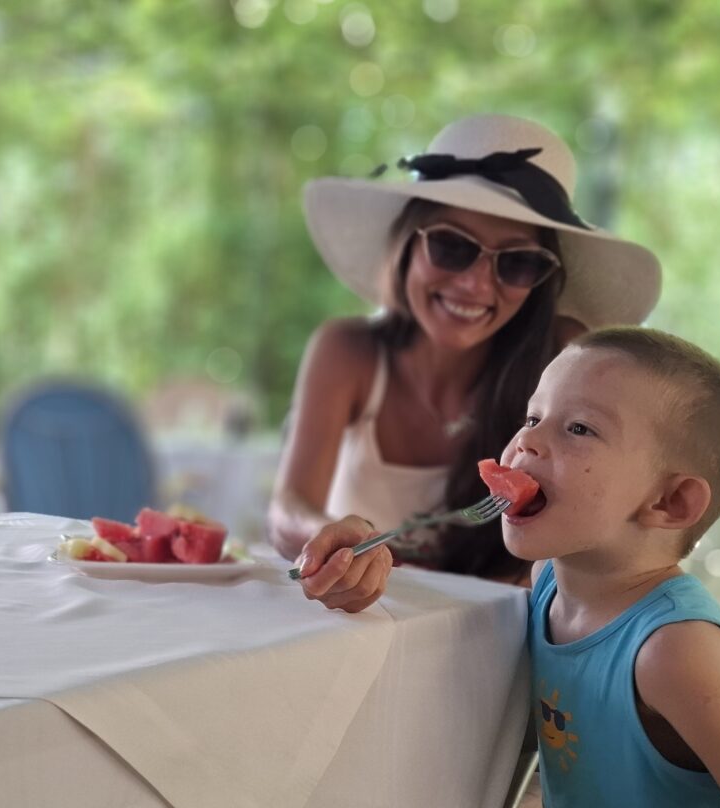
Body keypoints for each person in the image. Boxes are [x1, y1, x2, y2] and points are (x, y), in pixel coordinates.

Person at [301, 327, 720, 808]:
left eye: (579, 428)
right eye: (533, 418)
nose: (526, 443)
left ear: (670, 501)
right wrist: (364, 559)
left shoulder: (675, 654)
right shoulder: (548, 583)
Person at [269, 113, 661, 611]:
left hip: (499, 636)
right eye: (453, 246)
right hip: (362, 627)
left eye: (517, 261)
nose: (476, 285)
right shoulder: (348, 352)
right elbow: (287, 510)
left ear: (543, 278)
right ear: (408, 242)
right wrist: (329, 539)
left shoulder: (561, 360)